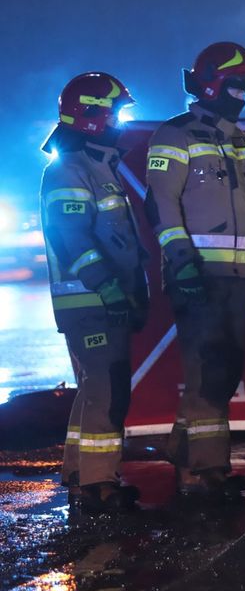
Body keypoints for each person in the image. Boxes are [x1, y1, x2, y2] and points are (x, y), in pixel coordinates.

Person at [144, 42, 245, 500]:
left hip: (235, 277)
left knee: (224, 371)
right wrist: (182, 263)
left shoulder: (238, 138)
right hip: (196, 276)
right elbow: (159, 205)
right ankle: (204, 473)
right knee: (206, 370)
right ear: (213, 83)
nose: (242, 95)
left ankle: (183, 447)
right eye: (236, 85)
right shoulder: (173, 136)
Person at [40, 73, 147, 513]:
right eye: (115, 111)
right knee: (107, 389)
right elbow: (73, 239)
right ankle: (101, 484)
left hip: (100, 298)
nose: (120, 120)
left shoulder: (94, 165)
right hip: (90, 300)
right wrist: (108, 287)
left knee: (93, 388)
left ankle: (78, 471)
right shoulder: (69, 168)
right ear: (90, 115)